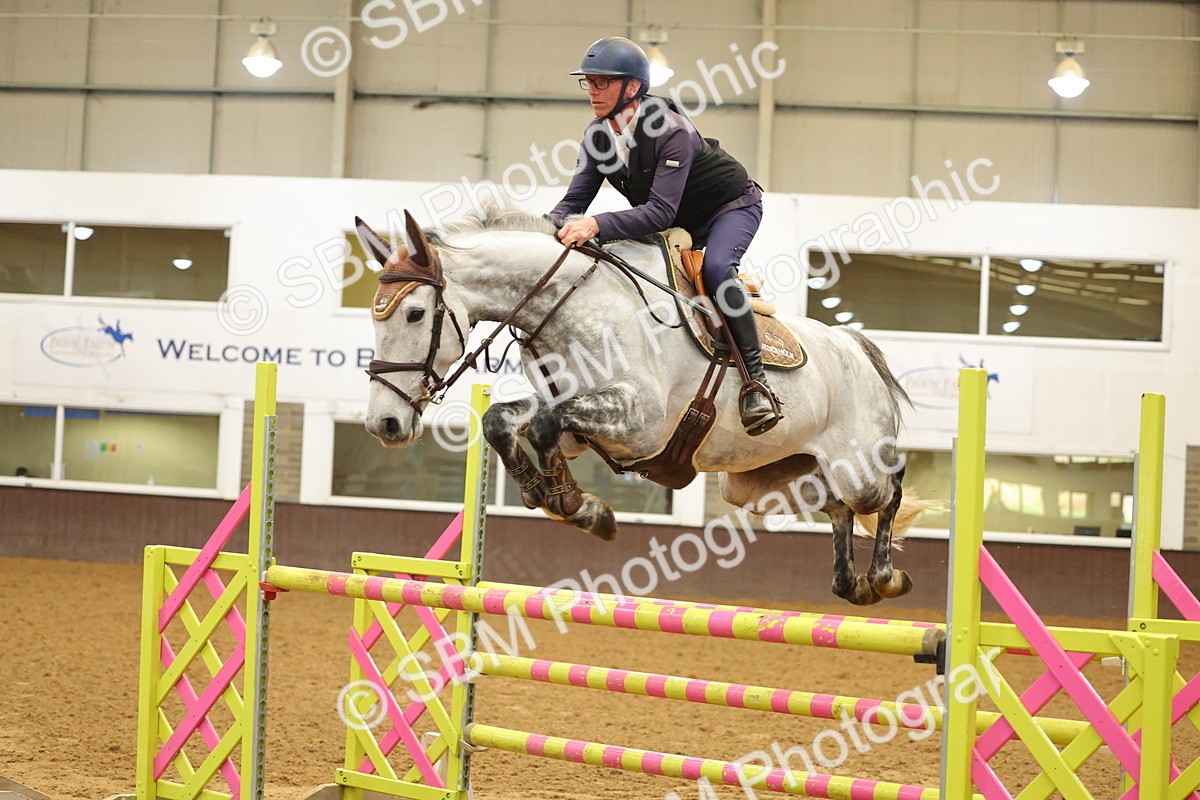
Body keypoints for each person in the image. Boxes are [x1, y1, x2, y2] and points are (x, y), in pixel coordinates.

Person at [550, 36, 783, 436]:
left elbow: (660, 212)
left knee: (715, 270)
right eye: (588, 82)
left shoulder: (670, 130)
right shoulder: (598, 136)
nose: (592, 91)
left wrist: (597, 224)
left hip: (730, 207)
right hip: (677, 220)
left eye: (602, 82)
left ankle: (756, 384)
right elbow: (574, 201)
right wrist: (541, 230)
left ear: (633, 87)